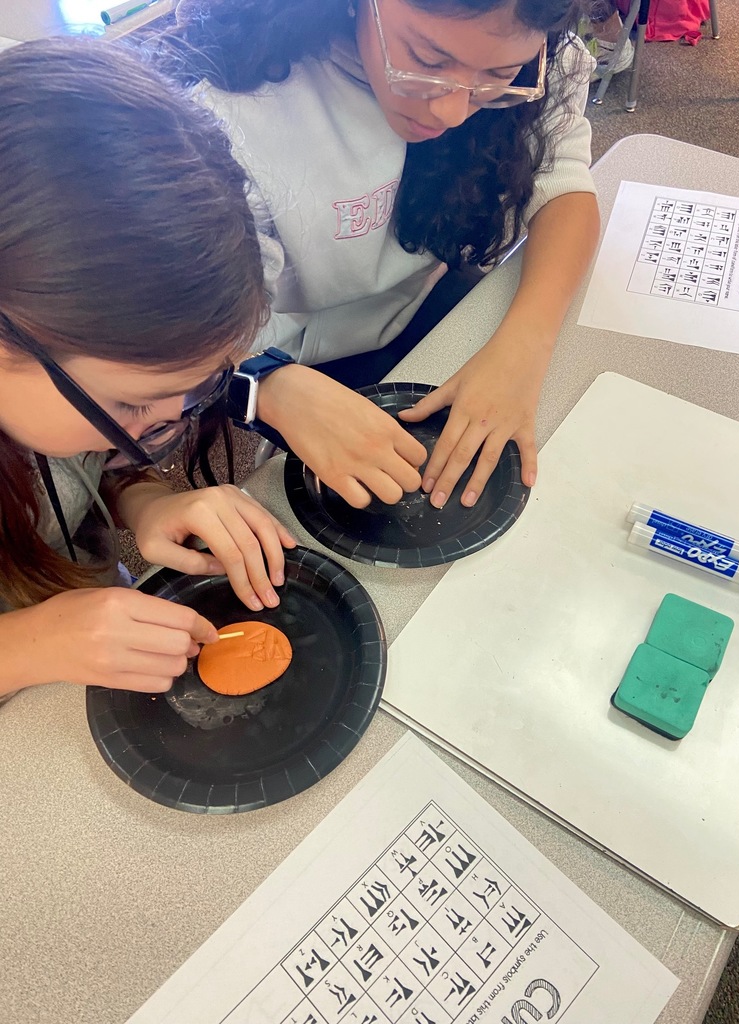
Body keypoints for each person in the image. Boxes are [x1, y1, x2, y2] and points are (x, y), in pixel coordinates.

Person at [163, 0, 600, 510]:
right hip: (274, 350)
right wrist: (267, 384)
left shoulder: (531, 46)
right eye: (428, 61)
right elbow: (176, 319)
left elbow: (565, 187)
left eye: (497, 77)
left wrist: (525, 346)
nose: (453, 111)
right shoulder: (223, 110)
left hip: (420, 307)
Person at [0, 37, 296, 703]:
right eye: (132, 406)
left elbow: (73, 470)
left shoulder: (53, 385)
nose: (164, 422)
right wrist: (24, 646)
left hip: (92, 641)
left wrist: (147, 500)